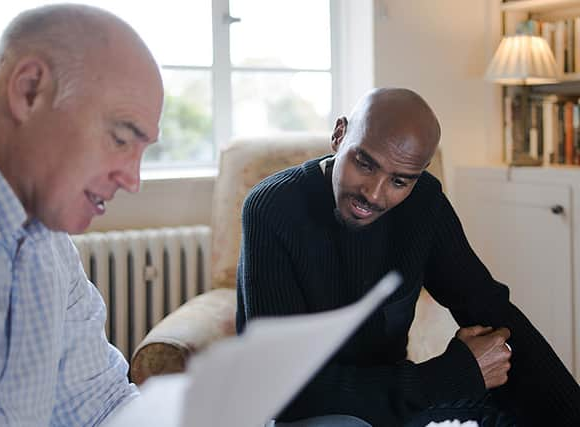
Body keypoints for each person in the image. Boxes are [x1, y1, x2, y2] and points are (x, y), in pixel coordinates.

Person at [237, 88, 580, 426]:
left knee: (524, 408)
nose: (373, 194)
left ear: (420, 173)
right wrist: (448, 376)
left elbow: (492, 312)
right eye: (365, 164)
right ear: (339, 135)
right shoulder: (272, 208)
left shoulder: (424, 204)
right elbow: (286, 388)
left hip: (392, 398)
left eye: (399, 181)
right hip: (307, 409)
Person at [0, 4, 163, 426]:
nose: (132, 180)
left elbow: (99, 402)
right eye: (120, 138)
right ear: (29, 90)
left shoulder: (48, 243)